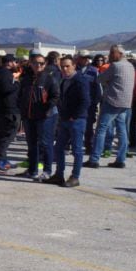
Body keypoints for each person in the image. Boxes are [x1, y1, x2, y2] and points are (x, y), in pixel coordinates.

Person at [87, 44, 135, 169]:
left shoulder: (115, 66)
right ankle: (121, 159)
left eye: (112, 53)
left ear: (119, 54)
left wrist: (108, 81)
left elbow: (99, 79)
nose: (109, 55)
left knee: (101, 129)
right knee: (122, 130)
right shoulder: (130, 66)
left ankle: (94, 159)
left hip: (113, 101)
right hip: (126, 102)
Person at [17, 52, 60, 181]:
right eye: (36, 63)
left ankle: (47, 171)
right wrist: (22, 109)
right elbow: (20, 95)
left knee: (46, 143)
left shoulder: (49, 78)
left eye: (41, 63)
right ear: (30, 64)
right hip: (29, 116)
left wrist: (46, 109)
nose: (38, 66)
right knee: (31, 144)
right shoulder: (26, 79)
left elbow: (56, 96)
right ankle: (32, 170)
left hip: (45, 116)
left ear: (45, 64)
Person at [49, 55, 90, 187]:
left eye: (67, 66)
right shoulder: (64, 79)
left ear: (74, 66)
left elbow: (86, 101)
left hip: (76, 120)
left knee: (77, 150)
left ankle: (75, 176)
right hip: (65, 118)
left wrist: (75, 115)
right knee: (59, 148)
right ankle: (58, 174)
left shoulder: (80, 80)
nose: (65, 69)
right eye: (62, 66)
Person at [0, 55, 20, 170]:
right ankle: (0, 159)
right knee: (8, 135)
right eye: (15, 62)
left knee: (4, 135)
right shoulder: (4, 74)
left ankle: (2, 158)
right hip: (8, 109)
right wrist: (17, 84)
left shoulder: (1, 73)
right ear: (10, 63)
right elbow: (6, 88)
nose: (16, 64)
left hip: (3, 108)